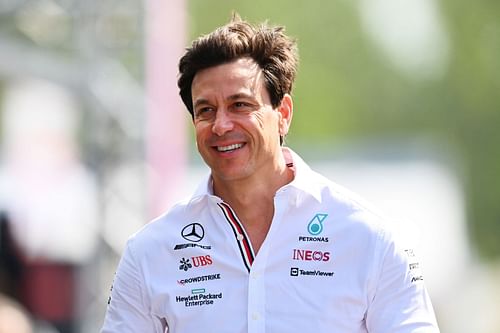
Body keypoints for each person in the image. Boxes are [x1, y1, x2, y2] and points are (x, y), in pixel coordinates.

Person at [101, 14, 440, 332]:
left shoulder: (370, 238)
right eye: (206, 110)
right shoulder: (150, 251)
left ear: (284, 114)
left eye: (240, 105)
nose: (221, 125)